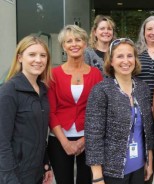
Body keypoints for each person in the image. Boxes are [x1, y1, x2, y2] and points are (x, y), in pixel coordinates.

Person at [85, 38, 154, 184]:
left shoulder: (142, 88)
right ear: (110, 61)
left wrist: (149, 161)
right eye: (120, 56)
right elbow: (93, 136)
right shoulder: (101, 90)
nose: (126, 61)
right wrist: (97, 176)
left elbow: (148, 130)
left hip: (139, 167)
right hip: (113, 171)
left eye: (130, 56)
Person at [47, 25, 103, 184]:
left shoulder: (95, 74)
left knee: (85, 181)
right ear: (63, 46)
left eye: (78, 40)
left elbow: (99, 111)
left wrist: (83, 140)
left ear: (85, 44)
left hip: (89, 138)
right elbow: (51, 112)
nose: (74, 44)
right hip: (59, 139)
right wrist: (65, 143)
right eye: (69, 41)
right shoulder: (54, 74)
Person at [0, 35, 53, 184]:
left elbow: (40, 133)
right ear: (20, 58)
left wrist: (46, 164)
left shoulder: (43, 90)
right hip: (15, 175)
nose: (38, 60)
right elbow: (2, 141)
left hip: (36, 173)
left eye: (43, 55)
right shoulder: (9, 91)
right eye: (32, 54)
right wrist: (9, 178)